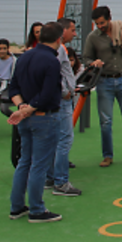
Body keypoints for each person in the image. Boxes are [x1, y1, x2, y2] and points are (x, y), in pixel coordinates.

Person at [6, 21, 65, 223]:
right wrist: (29, 109)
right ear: (59, 39)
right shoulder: (51, 61)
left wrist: (22, 107)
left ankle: (16, 206)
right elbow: (48, 95)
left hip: (26, 118)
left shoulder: (25, 57)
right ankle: (37, 209)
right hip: (43, 118)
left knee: (25, 161)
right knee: (39, 165)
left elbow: (13, 88)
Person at [82, 5, 122, 167]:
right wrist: (93, 62)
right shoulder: (93, 37)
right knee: (105, 121)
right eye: (97, 24)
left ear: (109, 18)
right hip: (104, 81)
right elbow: (86, 58)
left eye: (102, 23)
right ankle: (107, 155)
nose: (100, 26)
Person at [45, 18, 81, 196]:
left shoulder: (59, 50)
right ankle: (60, 181)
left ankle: (51, 176)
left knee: (54, 139)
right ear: (62, 32)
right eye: (72, 30)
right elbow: (55, 73)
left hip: (60, 98)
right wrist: (65, 91)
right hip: (62, 100)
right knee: (64, 139)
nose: (74, 34)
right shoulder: (58, 50)